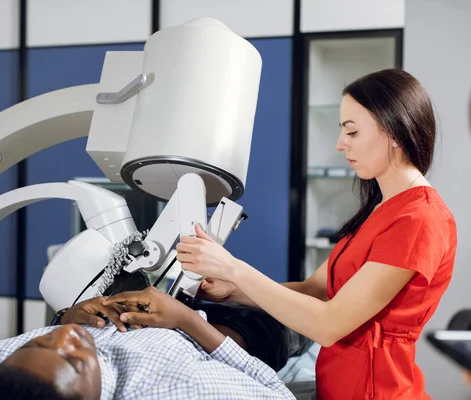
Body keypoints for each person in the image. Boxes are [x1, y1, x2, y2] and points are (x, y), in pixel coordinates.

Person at [170, 68, 458, 399]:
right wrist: (232, 291)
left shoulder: (420, 219)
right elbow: (316, 290)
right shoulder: (381, 209)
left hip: (377, 390)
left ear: (394, 131)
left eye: (352, 132)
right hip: (338, 385)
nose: (340, 144)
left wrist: (233, 267)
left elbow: (329, 324)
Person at [0, 272, 302, 400]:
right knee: (293, 312)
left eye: (42, 341)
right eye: (75, 361)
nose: (69, 336)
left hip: (147, 300)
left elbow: (63, 331)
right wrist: (187, 321)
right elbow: (277, 394)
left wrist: (67, 315)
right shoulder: (181, 389)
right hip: (239, 332)